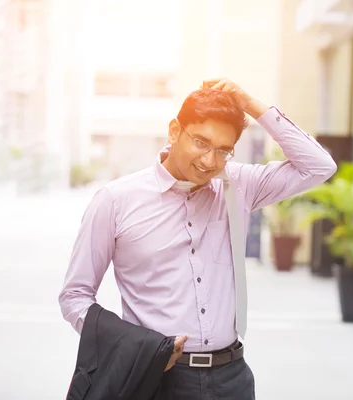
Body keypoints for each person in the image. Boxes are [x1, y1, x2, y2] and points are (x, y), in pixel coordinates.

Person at [59, 78, 337, 399]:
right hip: (156, 378)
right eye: (201, 143)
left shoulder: (238, 185)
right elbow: (75, 296)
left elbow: (319, 166)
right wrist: (134, 346)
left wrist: (250, 105)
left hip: (232, 378)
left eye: (223, 151)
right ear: (175, 130)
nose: (209, 161)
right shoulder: (116, 200)